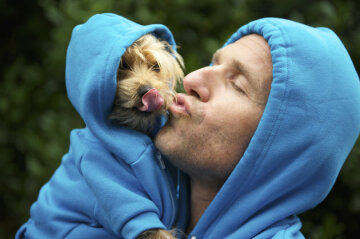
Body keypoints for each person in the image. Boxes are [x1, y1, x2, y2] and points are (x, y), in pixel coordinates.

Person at [155, 18, 360, 238]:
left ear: (281, 148)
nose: (191, 79)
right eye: (213, 65)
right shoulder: (134, 212)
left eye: (237, 85)